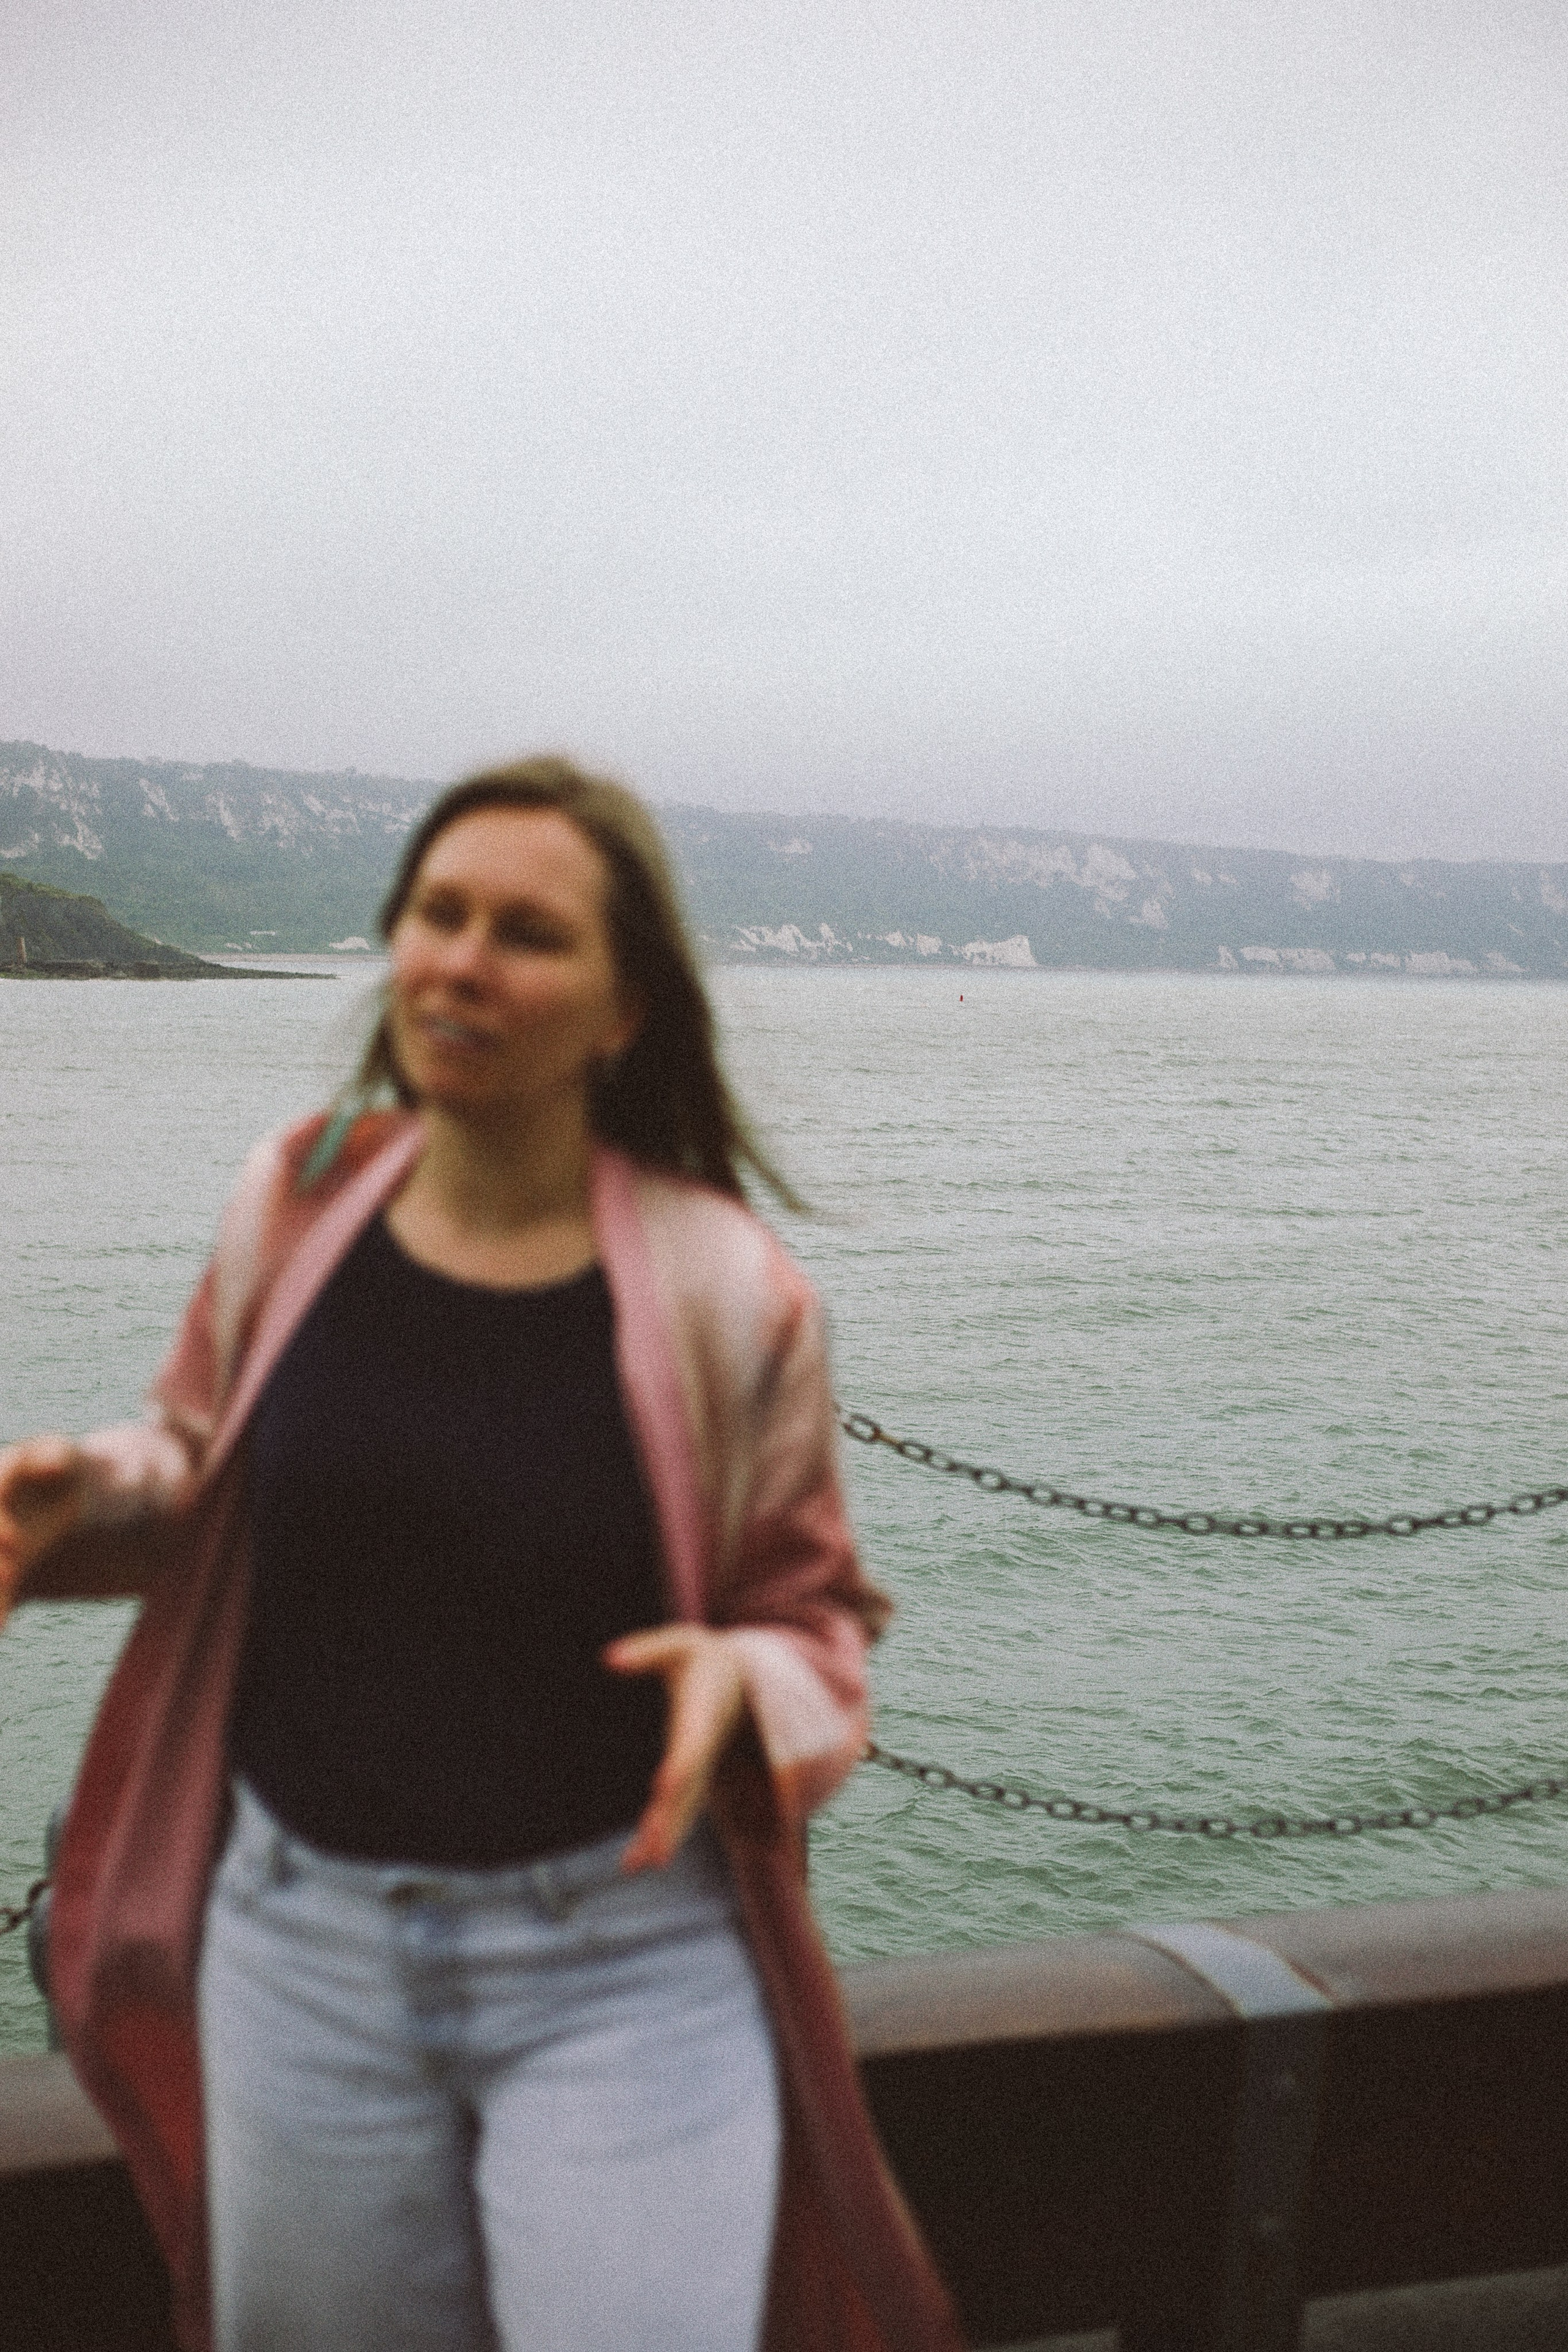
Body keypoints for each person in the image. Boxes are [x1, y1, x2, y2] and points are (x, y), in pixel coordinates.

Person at [0, 758, 962, 2352]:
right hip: (297, 1951)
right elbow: (200, 1461)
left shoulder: (729, 1289)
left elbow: (817, 1625)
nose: (462, 959)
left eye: (528, 931)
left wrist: (753, 1680)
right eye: (437, 914)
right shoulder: (296, 1197)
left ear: (623, 1007)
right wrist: (82, 1498)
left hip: (621, 1964)